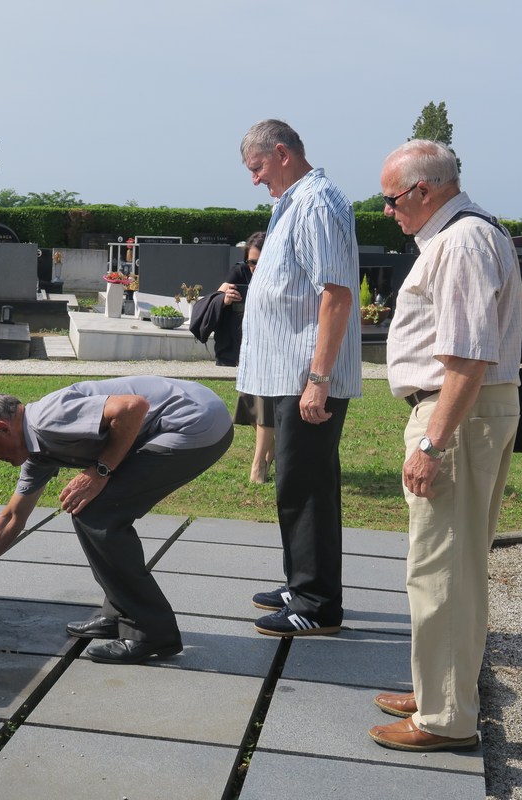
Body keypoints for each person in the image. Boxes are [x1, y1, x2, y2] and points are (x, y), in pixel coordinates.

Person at [368, 139, 522, 753]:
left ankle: (445, 718)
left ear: (422, 191)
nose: (386, 210)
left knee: (441, 571)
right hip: (467, 412)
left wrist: (432, 445)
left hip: (454, 415)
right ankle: (441, 691)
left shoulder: (459, 241)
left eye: (390, 199)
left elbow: (466, 355)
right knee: (455, 567)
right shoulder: (469, 233)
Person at [0, 377, 233, 664]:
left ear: (3, 428)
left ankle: (151, 631)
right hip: (191, 417)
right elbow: (11, 518)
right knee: (91, 508)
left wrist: (100, 471)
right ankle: (119, 612)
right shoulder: (37, 452)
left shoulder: (46, 418)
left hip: (195, 420)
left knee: (98, 513)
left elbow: (132, 407)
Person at [236, 119, 361, 637]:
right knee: (299, 482)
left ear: (282, 153)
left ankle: (315, 604)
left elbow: (335, 293)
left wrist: (318, 377)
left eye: (258, 167)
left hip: (306, 377)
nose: (255, 180)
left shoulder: (316, 203)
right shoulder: (295, 202)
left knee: (304, 487)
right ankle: (302, 582)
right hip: (289, 374)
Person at [213, 232, 276, 484]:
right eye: (252, 262)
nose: (255, 268)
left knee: (266, 405)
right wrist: (225, 298)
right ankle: (272, 451)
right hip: (249, 348)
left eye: (261, 262)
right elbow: (217, 296)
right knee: (252, 407)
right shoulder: (240, 272)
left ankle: (258, 464)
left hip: (276, 346)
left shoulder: (282, 275)